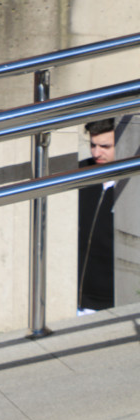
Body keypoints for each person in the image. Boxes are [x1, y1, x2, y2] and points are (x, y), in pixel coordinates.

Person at [78, 118, 116, 313]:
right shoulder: (79, 174)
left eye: (105, 146)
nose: (96, 153)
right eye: (93, 145)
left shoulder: (133, 186)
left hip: (111, 301)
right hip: (72, 296)